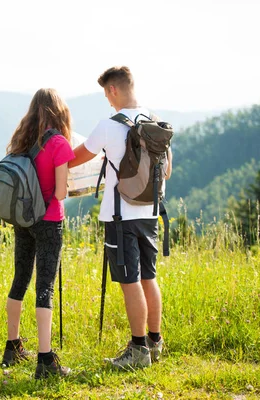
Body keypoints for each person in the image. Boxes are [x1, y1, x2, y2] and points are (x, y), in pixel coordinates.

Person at [69, 66, 172, 369]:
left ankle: (137, 350)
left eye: (106, 95)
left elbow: (74, 159)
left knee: (130, 282)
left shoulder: (108, 125)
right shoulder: (156, 124)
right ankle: (154, 342)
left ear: (113, 90)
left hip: (120, 216)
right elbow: (165, 172)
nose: (107, 101)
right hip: (150, 213)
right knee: (149, 278)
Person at [2, 88, 75, 379]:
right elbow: (59, 192)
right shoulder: (57, 143)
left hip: (24, 220)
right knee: (45, 287)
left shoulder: (22, 140)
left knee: (20, 278)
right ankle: (45, 361)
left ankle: (12, 347)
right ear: (59, 111)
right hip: (48, 222)